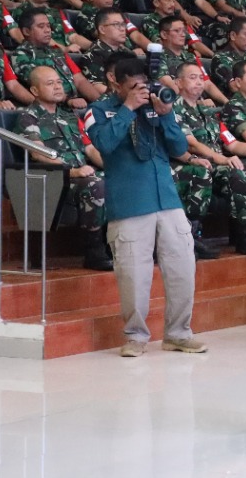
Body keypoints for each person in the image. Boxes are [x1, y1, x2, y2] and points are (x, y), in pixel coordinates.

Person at [86, 55, 205, 357]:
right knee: (133, 274)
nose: (142, 91)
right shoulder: (99, 110)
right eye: (134, 86)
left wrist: (165, 115)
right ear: (118, 84)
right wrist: (128, 109)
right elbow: (104, 145)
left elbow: (179, 149)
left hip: (167, 198)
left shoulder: (158, 106)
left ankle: (178, 333)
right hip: (129, 203)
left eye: (145, 85)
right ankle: (135, 336)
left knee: (182, 268)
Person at [18, 66, 109, 270]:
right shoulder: (29, 117)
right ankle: (94, 250)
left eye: (59, 82)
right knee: (96, 185)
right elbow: (38, 154)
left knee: (123, 180)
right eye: (50, 84)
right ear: (34, 91)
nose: (58, 87)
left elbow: (90, 149)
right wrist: (72, 171)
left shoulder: (69, 116)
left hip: (83, 173)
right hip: (56, 177)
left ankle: (118, 245)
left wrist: (115, 167)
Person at [172, 61, 246, 257]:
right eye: (192, 78)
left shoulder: (207, 111)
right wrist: (220, 159)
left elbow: (230, 143)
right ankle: (195, 236)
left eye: (201, 78)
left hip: (215, 163)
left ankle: (245, 233)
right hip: (187, 163)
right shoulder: (174, 109)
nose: (198, 82)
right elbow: (191, 144)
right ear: (178, 83)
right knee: (218, 172)